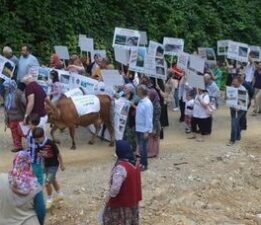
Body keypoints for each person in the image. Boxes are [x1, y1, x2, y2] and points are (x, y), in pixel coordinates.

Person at [103, 140, 142, 225]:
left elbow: (115, 188)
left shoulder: (121, 168)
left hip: (122, 202)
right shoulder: (135, 163)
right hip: (133, 200)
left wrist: (109, 197)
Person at [0, 151, 42, 225]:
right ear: (29, 164)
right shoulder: (35, 185)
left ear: (15, 162)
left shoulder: (1, 178)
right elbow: (41, 209)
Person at [33, 127, 65, 209]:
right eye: (35, 139)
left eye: (38, 139)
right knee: (52, 180)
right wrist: (40, 155)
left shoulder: (50, 143)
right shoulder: (37, 144)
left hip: (53, 165)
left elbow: (58, 154)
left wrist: (62, 164)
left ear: (43, 136)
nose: (36, 141)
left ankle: (49, 200)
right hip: (45, 165)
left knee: (47, 183)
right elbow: (38, 153)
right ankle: (60, 194)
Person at [3, 79, 26, 152]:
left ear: (11, 86)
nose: (5, 88)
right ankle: (18, 146)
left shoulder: (19, 94)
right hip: (11, 118)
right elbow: (6, 106)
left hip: (20, 117)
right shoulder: (7, 94)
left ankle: (33, 144)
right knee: (14, 132)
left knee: (23, 132)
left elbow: (25, 103)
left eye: (7, 87)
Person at [135, 85, 153, 171]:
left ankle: (144, 164)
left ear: (142, 91)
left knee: (143, 148)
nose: (136, 91)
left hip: (143, 130)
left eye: (138, 90)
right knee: (141, 148)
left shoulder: (147, 103)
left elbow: (149, 118)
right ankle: (141, 162)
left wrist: (147, 131)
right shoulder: (141, 101)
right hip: (138, 128)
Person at [227, 77, 248, 146]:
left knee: (234, 123)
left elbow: (242, 103)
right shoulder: (232, 87)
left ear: (239, 82)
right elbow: (229, 97)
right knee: (236, 122)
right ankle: (238, 136)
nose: (233, 83)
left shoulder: (242, 89)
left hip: (240, 109)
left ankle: (232, 140)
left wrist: (238, 108)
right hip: (233, 108)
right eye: (233, 81)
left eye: (235, 82)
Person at [122, 83, 140, 151]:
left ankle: (133, 149)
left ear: (130, 89)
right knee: (123, 134)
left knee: (131, 134)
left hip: (131, 119)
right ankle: (125, 148)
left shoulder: (136, 98)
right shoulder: (122, 96)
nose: (124, 89)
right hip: (123, 119)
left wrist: (133, 105)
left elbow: (139, 108)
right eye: (124, 88)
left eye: (125, 88)